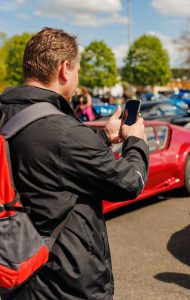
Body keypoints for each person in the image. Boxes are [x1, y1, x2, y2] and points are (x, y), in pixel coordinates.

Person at [0, 27, 149, 300]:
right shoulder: (65, 131)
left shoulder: (7, 112)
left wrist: (104, 136)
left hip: (14, 272)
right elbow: (130, 182)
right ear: (65, 68)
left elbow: (50, 157)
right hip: (63, 282)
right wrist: (136, 141)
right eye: (77, 70)